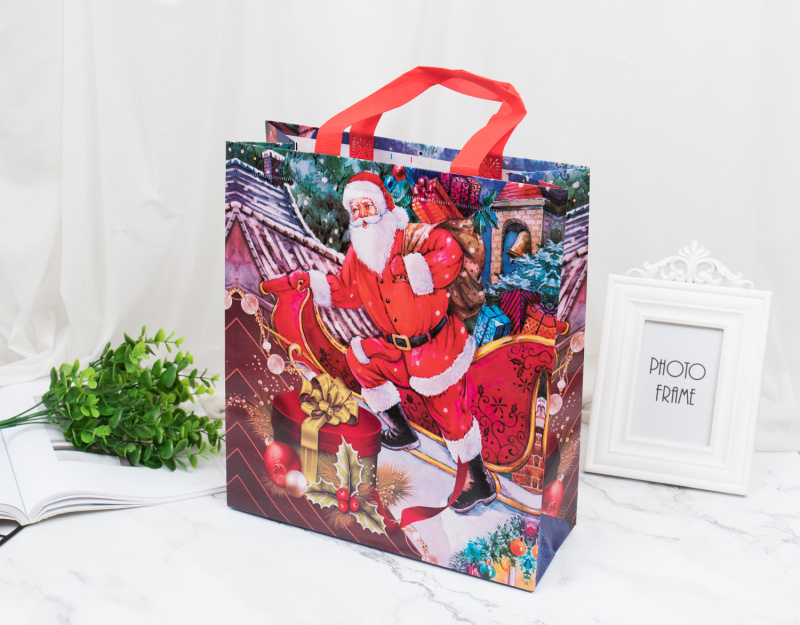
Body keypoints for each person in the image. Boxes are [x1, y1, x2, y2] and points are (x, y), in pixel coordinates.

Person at [261, 171, 495, 513]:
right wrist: (310, 281)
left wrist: (413, 267)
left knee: (451, 417)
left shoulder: (415, 238)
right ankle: (401, 430)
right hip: (395, 349)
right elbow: (346, 290)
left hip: (435, 349)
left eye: (367, 206)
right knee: (362, 360)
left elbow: (450, 255)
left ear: (384, 206)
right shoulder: (360, 256)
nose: (361, 217)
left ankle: (480, 480)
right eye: (354, 210)